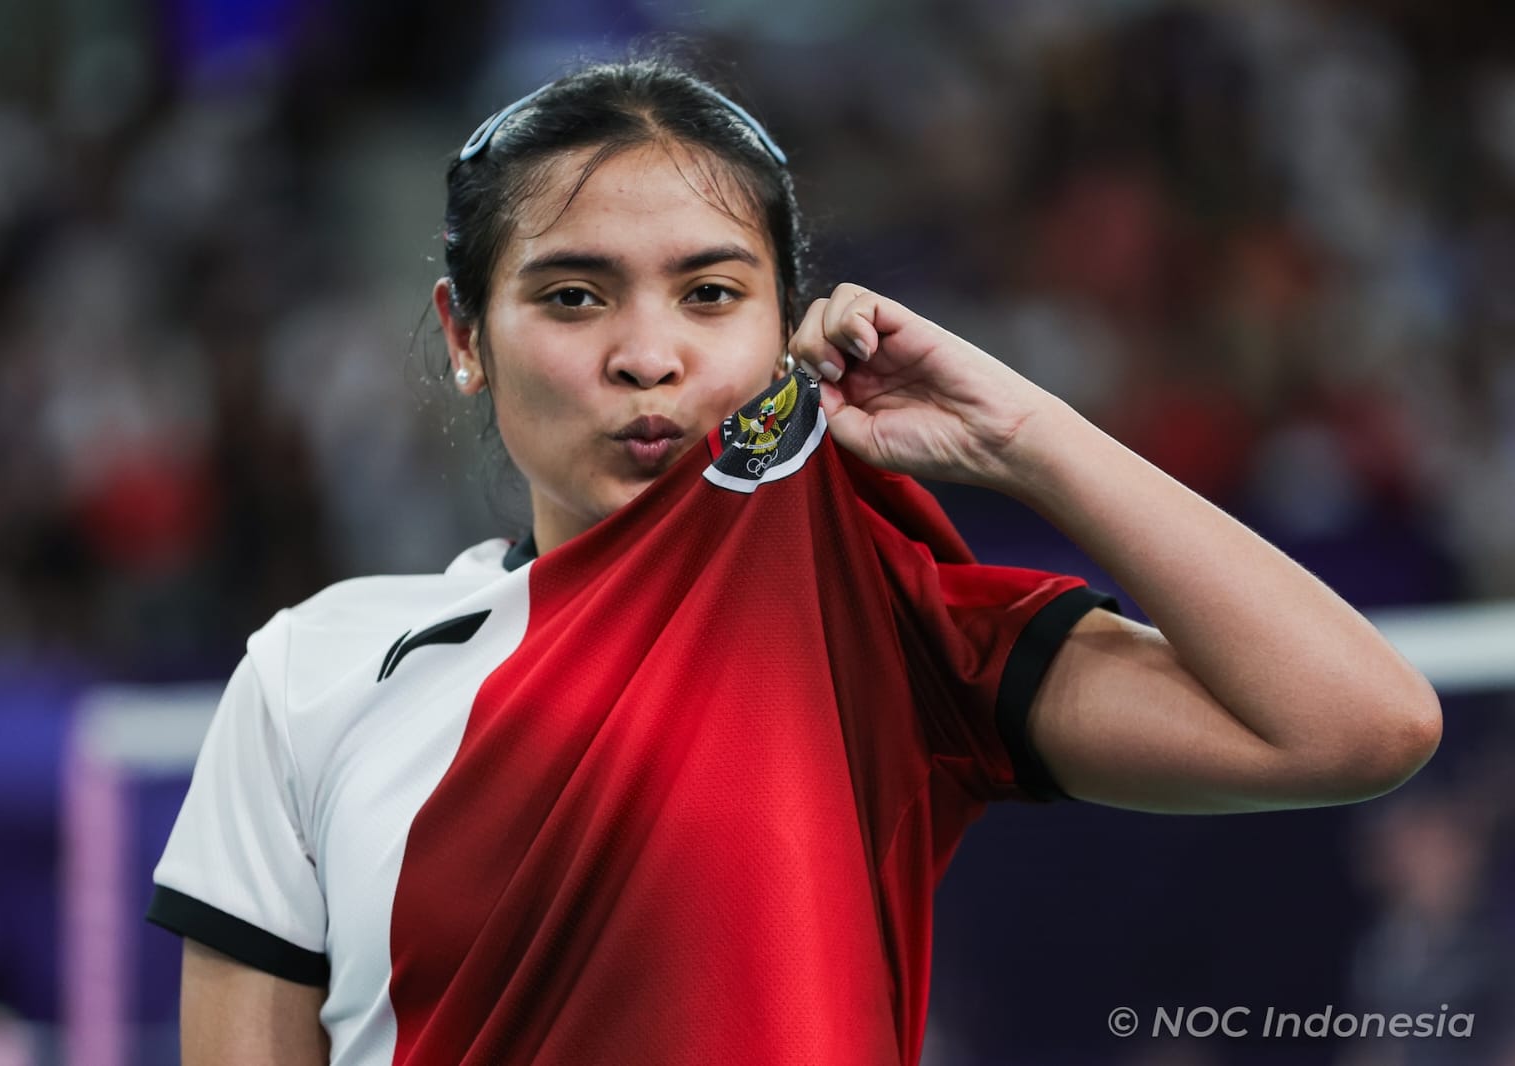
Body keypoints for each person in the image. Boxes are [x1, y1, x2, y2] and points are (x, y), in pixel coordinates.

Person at [146, 56, 1442, 1066]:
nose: (647, 354)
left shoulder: (873, 620)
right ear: (465, 330)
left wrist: (1027, 432)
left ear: (785, 327)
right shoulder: (316, 669)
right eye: (572, 295)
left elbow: (1358, 723)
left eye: (710, 294)